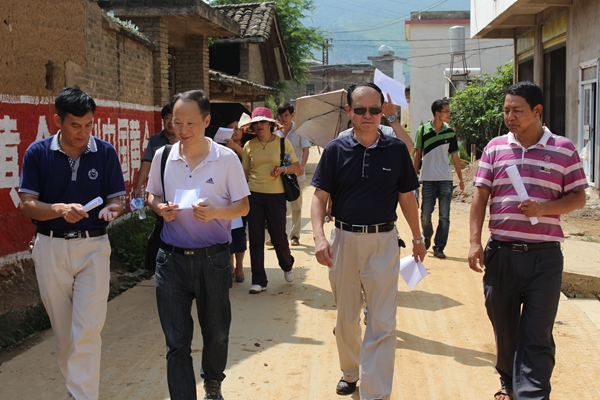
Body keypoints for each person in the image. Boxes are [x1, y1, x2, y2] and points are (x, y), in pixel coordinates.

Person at [468, 81, 587, 400]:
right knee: (504, 326)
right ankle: (509, 382)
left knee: (537, 330)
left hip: (544, 258)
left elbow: (578, 197)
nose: (510, 117)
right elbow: (480, 198)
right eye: (506, 110)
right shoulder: (495, 148)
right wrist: (474, 242)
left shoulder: (563, 149)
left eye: (517, 111)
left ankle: (532, 393)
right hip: (501, 254)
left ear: (537, 111)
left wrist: (544, 209)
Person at [311, 82, 427, 399]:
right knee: (346, 318)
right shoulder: (335, 149)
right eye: (360, 109)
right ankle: (350, 372)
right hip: (344, 241)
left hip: (383, 241)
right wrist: (319, 237)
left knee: (383, 321)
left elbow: (406, 197)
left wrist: (418, 237)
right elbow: (320, 197)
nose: (368, 115)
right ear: (349, 111)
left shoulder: (396, 150)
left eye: (374, 109)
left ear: (382, 111)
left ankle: (374, 392)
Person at [18, 86, 126, 400]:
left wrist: (112, 209)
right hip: (50, 248)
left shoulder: (105, 152)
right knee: (65, 336)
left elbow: (116, 199)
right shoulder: (38, 153)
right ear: (58, 121)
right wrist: (59, 210)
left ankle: (82, 396)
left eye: (89, 125)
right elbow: (26, 204)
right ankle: (76, 391)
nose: (83, 133)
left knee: (87, 331)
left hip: (94, 247)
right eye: (75, 125)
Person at [146, 89, 250, 400]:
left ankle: (213, 382)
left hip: (213, 260)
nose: (183, 129)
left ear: (206, 121)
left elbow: (243, 206)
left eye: (190, 123)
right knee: (176, 341)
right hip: (171, 261)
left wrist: (216, 212)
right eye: (177, 122)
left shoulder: (226, 159)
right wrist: (159, 208)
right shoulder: (164, 156)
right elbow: (152, 194)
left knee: (216, 334)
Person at [241, 107, 300, 294]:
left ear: (270, 124)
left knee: (278, 236)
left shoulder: (283, 143)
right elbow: (245, 174)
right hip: (254, 195)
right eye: (256, 123)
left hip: (276, 195)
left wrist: (282, 169)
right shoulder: (248, 145)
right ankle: (258, 280)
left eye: (262, 122)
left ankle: (287, 264)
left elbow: (296, 167)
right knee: (256, 238)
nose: (259, 125)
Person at [412, 99, 465, 259]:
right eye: (446, 111)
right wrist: (413, 177)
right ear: (437, 113)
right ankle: (427, 234)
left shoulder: (450, 132)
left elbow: (455, 156)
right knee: (425, 215)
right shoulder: (423, 130)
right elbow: (417, 154)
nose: (449, 114)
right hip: (427, 179)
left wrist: (461, 179)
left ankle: (439, 247)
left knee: (444, 216)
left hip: (445, 179)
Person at [274, 102, 311, 246]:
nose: (283, 118)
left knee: (296, 206)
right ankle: (277, 235)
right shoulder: (275, 131)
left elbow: (306, 149)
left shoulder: (300, 130)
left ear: (292, 115)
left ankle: (294, 236)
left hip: (296, 175)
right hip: (278, 174)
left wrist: (301, 166)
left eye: (286, 115)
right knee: (278, 207)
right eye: (281, 116)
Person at [133, 103, 177, 198]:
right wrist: (138, 187)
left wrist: (178, 147)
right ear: (163, 120)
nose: (171, 122)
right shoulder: (155, 140)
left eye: (174, 119)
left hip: (180, 187)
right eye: (168, 118)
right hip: (159, 190)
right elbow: (146, 164)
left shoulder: (185, 139)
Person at [224, 119, 247, 283]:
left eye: (237, 128)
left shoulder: (248, 146)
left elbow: (250, 159)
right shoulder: (220, 149)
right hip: (225, 196)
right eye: (230, 128)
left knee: (239, 232)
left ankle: (240, 267)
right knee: (226, 231)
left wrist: (234, 147)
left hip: (241, 196)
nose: (234, 131)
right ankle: (230, 266)